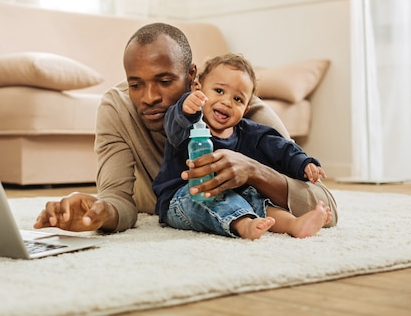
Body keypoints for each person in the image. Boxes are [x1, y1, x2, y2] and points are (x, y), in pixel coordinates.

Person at [33, 22, 338, 233]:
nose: (149, 97)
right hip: (173, 205)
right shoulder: (118, 108)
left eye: (165, 81)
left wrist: (253, 171)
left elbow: (325, 203)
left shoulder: (242, 112)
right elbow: (117, 199)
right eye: (136, 84)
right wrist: (97, 213)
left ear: (193, 78)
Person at [153, 53, 331, 239]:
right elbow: (173, 126)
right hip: (182, 197)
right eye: (219, 91)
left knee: (256, 198)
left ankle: (293, 224)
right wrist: (186, 106)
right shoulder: (187, 124)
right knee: (213, 198)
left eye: (237, 99)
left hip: (233, 194)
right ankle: (243, 224)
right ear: (198, 89)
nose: (227, 102)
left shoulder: (251, 134)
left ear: (246, 109)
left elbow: (281, 148)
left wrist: (303, 163)